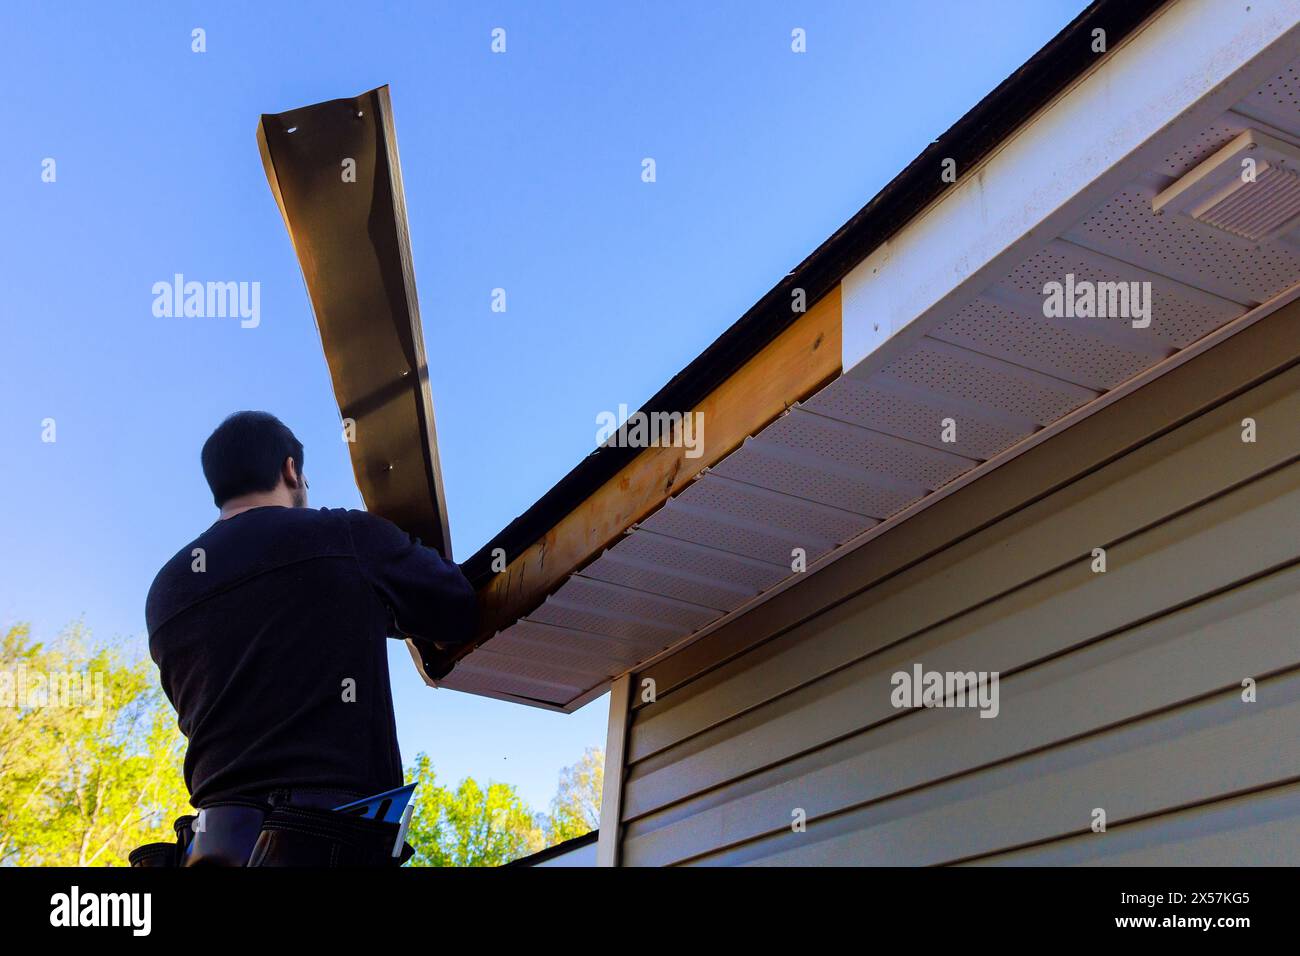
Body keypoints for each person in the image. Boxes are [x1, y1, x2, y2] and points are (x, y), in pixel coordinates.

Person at [136, 410, 475, 866]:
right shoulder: (343, 536)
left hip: (212, 846)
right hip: (328, 840)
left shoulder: (166, 591)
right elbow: (456, 610)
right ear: (290, 469)